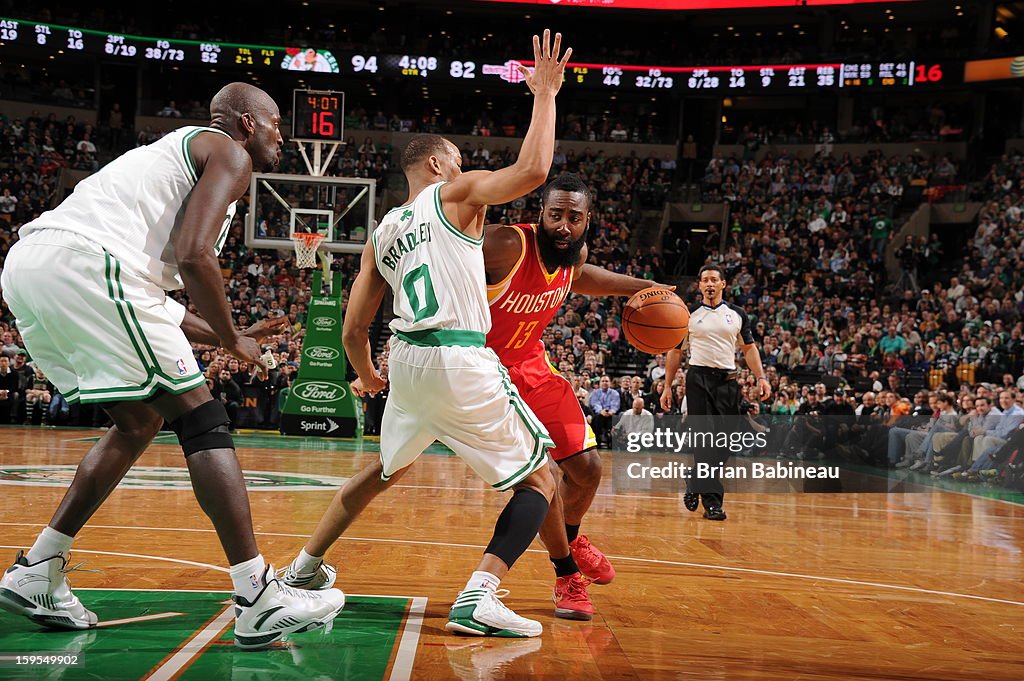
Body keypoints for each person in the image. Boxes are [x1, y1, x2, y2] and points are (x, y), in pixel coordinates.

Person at [0, 83, 345, 649]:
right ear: (246, 122)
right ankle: (257, 597)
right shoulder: (228, 152)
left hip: (37, 268)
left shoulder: (169, 163)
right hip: (85, 265)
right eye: (277, 122)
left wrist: (227, 338)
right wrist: (233, 335)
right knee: (203, 422)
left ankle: (39, 568)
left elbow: (149, 300)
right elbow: (194, 254)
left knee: (138, 422)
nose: (283, 134)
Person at [280, 31, 572, 639]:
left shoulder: (383, 233)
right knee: (544, 477)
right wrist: (544, 94)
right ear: (438, 165)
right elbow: (534, 169)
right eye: (460, 159)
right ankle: (479, 595)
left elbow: (355, 328)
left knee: (388, 468)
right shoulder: (455, 194)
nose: (466, 167)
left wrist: (367, 377)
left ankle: (305, 569)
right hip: (458, 358)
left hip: (406, 360)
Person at [483, 172, 664, 619]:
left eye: (574, 217)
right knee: (543, 476)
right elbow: (448, 254)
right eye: (555, 214)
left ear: (588, 220)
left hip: (533, 367)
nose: (564, 224)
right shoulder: (506, 244)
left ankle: (573, 534)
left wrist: (641, 287)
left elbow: (585, 278)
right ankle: (566, 575)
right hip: (486, 373)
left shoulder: (573, 253)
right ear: (540, 213)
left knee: (587, 468)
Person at [660, 265, 771, 520]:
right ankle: (713, 503)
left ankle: (694, 479)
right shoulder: (686, 315)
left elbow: (749, 349)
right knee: (706, 439)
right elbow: (675, 352)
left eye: (714, 280)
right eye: (705, 280)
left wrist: (761, 378)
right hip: (698, 379)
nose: (709, 284)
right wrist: (667, 386)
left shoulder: (737, 313)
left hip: (728, 382)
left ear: (723, 284)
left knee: (728, 442)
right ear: (699, 285)